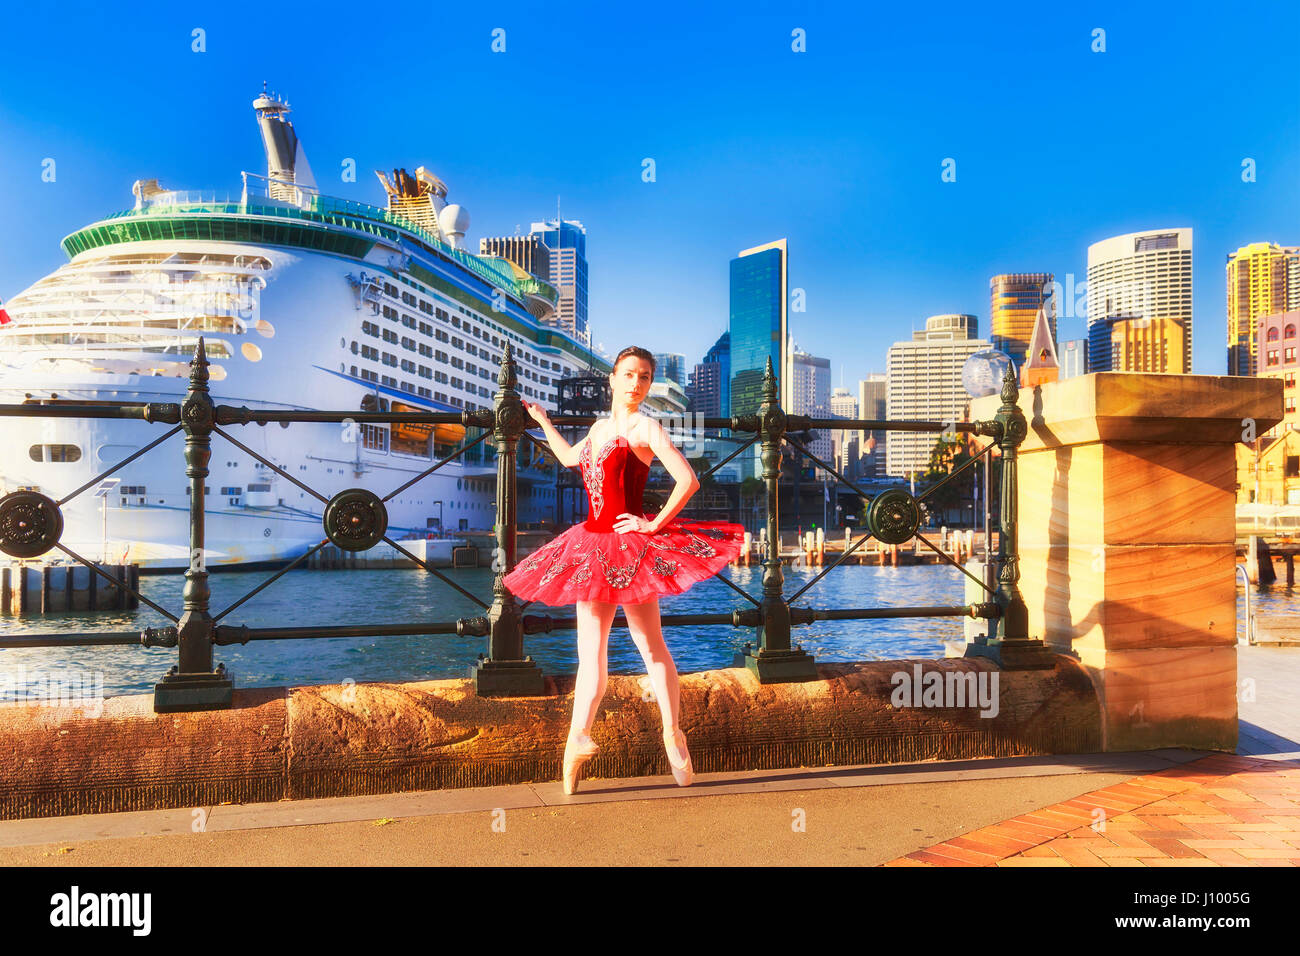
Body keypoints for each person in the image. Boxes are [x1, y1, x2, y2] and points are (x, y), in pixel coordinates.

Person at [503, 346, 747, 794]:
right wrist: (543, 422)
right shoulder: (598, 428)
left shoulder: (645, 426)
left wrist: (653, 523)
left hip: (629, 549)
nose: (637, 384)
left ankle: (672, 734)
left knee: (650, 645)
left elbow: (687, 480)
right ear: (613, 380)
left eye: (646, 377)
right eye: (630, 375)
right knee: (591, 653)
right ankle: (578, 741)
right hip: (592, 545)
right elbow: (570, 460)